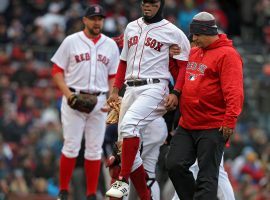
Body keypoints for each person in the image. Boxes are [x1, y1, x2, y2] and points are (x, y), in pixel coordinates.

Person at [105, 0, 190, 199]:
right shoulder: (131, 27)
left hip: (155, 86)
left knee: (129, 127)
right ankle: (146, 197)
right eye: (145, 2)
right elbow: (123, 61)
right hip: (130, 88)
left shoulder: (172, 31)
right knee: (125, 147)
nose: (147, 6)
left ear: (160, 4)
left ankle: (123, 180)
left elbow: (184, 65)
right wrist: (115, 91)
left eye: (152, 3)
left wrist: (176, 92)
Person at [166, 12, 244, 200]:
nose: (194, 39)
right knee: (174, 165)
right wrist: (172, 60)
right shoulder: (195, 51)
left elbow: (234, 91)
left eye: (197, 35)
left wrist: (230, 119)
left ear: (207, 32)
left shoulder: (228, 55)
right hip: (188, 123)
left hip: (213, 125)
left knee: (207, 177)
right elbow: (181, 77)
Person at [51, 4, 120, 200]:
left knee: (94, 149)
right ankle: (63, 192)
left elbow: (113, 75)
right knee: (71, 146)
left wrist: (111, 99)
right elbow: (56, 71)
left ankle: (91, 194)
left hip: (99, 100)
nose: (97, 22)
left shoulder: (110, 45)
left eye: (100, 18)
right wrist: (68, 95)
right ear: (85, 20)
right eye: (93, 18)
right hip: (74, 97)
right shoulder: (71, 41)